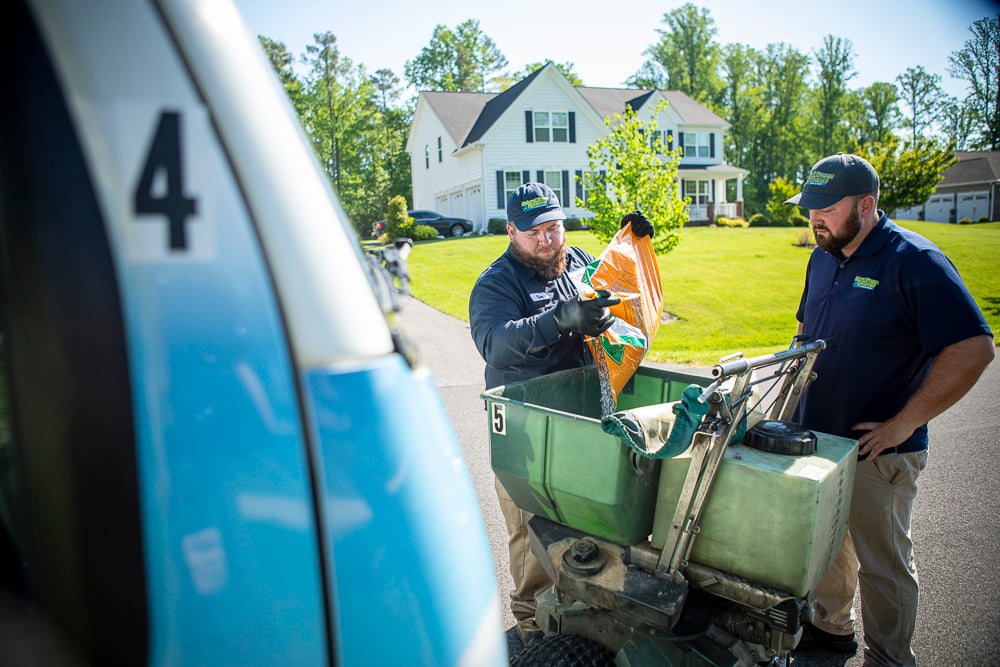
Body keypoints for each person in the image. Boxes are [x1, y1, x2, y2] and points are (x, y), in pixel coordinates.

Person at [784, 153, 994, 665]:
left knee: (884, 564)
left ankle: (890, 657)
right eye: (808, 207)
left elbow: (973, 347)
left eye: (825, 208)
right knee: (828, 547)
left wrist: (906, 422)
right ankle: (831, 630)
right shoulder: (823, 255)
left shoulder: (914, 261)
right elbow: (805, 332)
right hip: (822, 440)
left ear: (866, 204)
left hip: (882, 449)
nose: (814, 218)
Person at [468, 182, 652, 649]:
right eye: (536, 233)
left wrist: (634, 242)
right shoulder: (496, 284)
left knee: (585, 523)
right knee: (531, 533)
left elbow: (614, 278)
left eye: (555, 228)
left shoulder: (576, 262)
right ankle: (532, 628)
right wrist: (560, 320)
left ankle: (575, 610)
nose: (549, 241)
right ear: (512, 231)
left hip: (580, 419)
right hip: (526, 429)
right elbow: (495, 342)